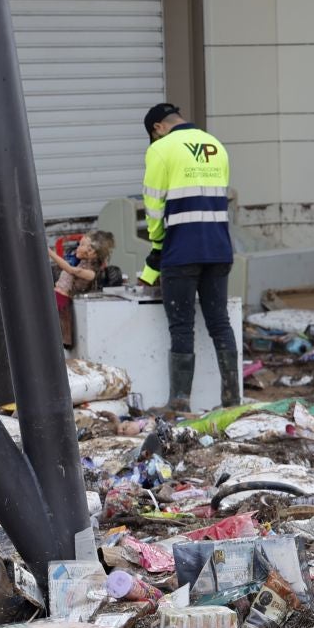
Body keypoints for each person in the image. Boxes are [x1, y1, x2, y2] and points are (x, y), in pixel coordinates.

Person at [137, 102, 239, 410]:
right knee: (220, 322)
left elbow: (153, 204)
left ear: (158, 127)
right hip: (219, 247)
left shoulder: (161, 148)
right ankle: (232, 399)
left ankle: (179, 401)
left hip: (182, 250)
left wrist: (157, 243)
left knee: (181, 326)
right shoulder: (215, 145)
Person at [50, 229, 115, 348]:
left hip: (61, 301)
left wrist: (49, 252)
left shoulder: (90, 273)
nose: (78, 248)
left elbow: (70, 269)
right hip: (55, 297)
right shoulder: (78, 263)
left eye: (82, 245)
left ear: (92, 253)